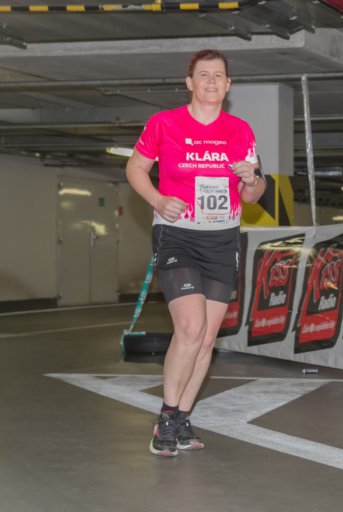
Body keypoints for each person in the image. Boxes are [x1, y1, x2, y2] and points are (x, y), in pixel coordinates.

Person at [126, 49, 266, 456]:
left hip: (221, 240)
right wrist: (157, 199)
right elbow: (135, 167)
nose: (211, 82)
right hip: (178, 236)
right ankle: (167, 417)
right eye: (203, 75)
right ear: (189, 82)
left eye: (218, 75)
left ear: (228, 84)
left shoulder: (240, 130)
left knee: (205, 339)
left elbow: (253, 195)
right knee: (189, 327)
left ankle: (183, 417)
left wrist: (252, 178)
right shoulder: (164, 123)